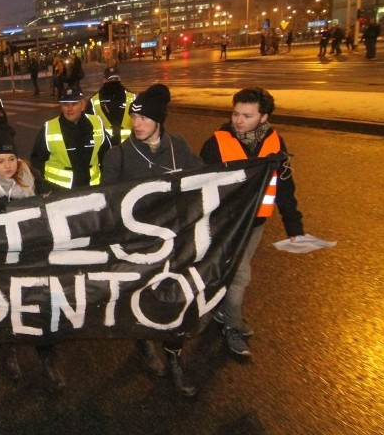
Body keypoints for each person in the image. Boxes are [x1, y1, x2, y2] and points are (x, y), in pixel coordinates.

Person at [100, 83, 202, 397]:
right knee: (142, 297)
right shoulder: (118, 155)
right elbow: (106, 200)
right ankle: (143, 342)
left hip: (174, 241)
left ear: (159, 120)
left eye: (144, 117)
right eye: (134, 116)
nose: (137, 123)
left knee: (175, 299)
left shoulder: (179, 147)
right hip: (137, 245)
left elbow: (204, 180)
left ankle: (175, 357)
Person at [199, 87, 305, 357]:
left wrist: (294, 226)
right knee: (241, 276)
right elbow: (199, 187)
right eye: (235, 113)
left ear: (264, 117)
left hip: (256, 223)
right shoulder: (216, 143)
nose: (238, 121)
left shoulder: (274, 142)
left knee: (231, 273)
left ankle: (219, 311)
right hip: (227, 225)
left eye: (247, 115)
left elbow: (284, 186)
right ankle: (233, 326)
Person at [0, 129, 63, 388]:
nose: (8, 165)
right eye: (0, 161)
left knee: (42, 305)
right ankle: (9, 351)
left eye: (11, 159)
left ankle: (47, 359)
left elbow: (56, 197)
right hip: (2, 260)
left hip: (32, 254)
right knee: (8, 305)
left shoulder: (32, 177)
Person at [30, 86, 108, 192]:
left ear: (83, 105)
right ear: (61, 106)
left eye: (74, 104)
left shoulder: (96, 123)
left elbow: (107, 156)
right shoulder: (49, 128)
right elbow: (37, 162)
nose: (69, 109)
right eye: (65, 104)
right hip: (59, 193)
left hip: (91, 190)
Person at [86, 68, 135, 147]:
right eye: (110, 79)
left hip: (129, 147)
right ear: (104, 80)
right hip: (105, 148)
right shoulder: (93, 100)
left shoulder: (132, 97)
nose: (113, 81)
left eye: (116, 78)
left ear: (120, 79)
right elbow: (88, 126)